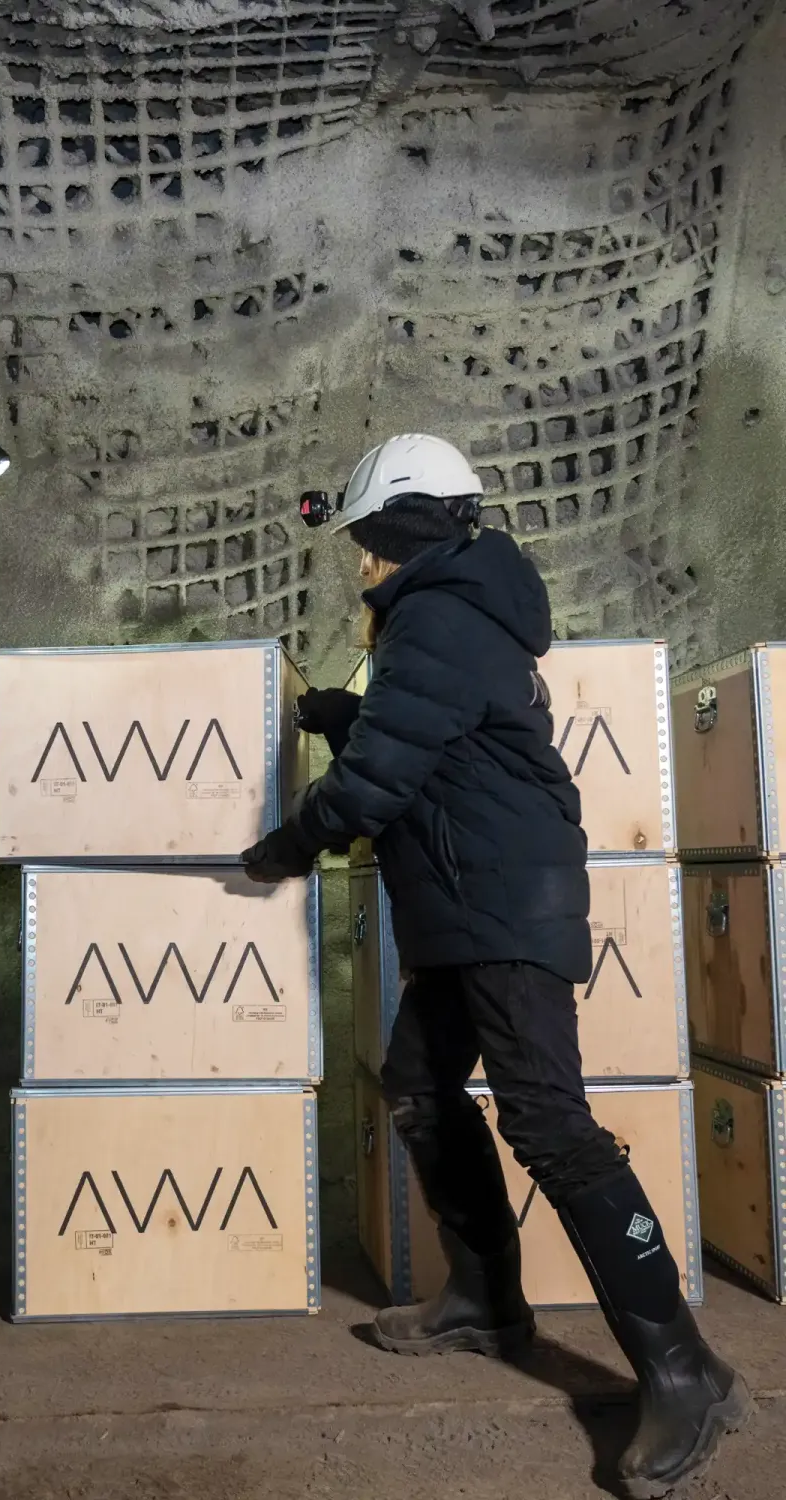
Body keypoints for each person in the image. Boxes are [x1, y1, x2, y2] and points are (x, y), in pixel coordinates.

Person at [241, 434, 751, 1497]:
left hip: (502, 904)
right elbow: (430, 737)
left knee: (551, 1125)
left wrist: (285, 847)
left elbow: (378, 785)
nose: (358, 564)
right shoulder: (452, 616)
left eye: (363, 543)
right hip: (469, 901)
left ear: (396, 531)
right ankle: (484, 1299)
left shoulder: (436, 617)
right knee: (423, 1090)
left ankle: (682, 1368)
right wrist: (349, 715)